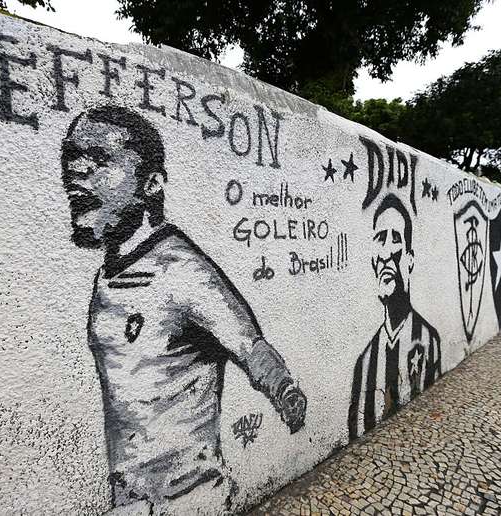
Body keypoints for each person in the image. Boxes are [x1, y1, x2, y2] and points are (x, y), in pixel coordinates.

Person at [61, 105, 307, 514]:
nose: (77, 171)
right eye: (71, 157)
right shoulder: (108, 276)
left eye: (100, 159)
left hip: (192, 501)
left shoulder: (182, 269)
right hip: (130, 500)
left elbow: (247, 343)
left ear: (151, 183)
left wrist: (285, 393)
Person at [348, 194, 441, 439]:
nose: (386, 253)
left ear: (409, 259)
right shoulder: (366, 360)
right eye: (380, 240)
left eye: (396, 239)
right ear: (372, 259)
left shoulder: (428, 341)